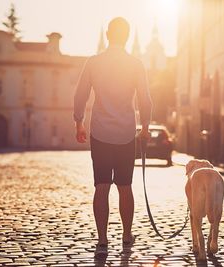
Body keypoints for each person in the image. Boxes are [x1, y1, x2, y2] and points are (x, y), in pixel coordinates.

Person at [73, 17, 152, 258]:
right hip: (126, 133)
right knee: (125, 187)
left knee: (102, 186)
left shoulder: (94, 62)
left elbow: (81, 94)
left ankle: (103, 238)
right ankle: (127, 235)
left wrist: (79, 122)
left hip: (100, 132)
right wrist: (145, 126)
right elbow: (145, 98)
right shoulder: (135, 64)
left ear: (108, 35)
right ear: (126, 36)